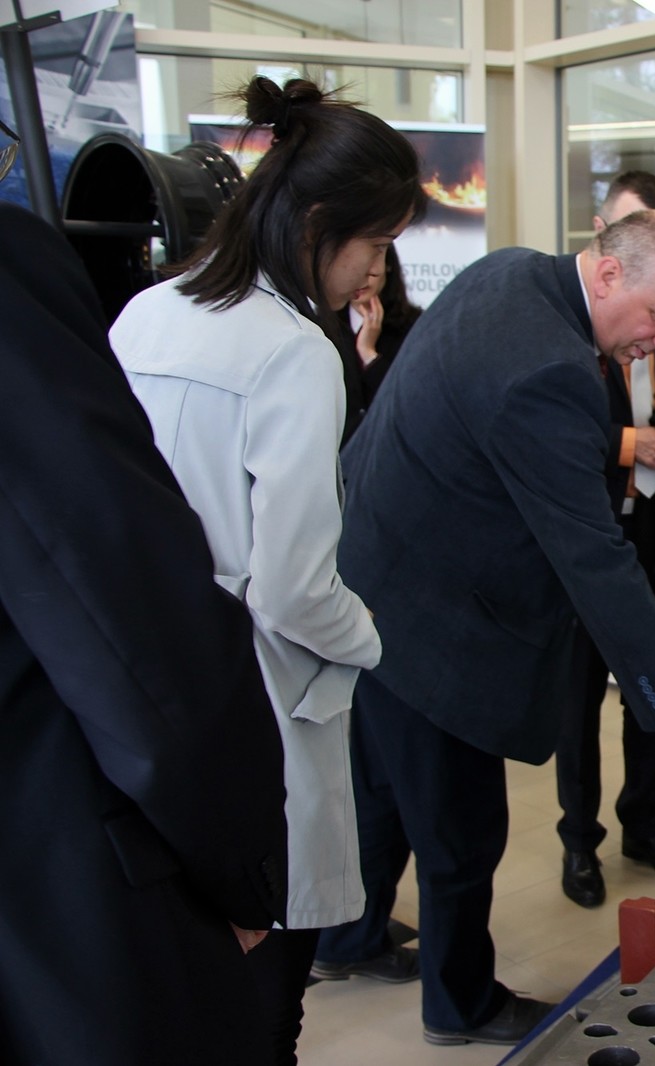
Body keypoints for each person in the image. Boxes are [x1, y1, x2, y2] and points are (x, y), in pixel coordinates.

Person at [319, 208, 655, 1049]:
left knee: (377, 789)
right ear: (609, 274)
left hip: (369, 583)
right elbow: (594, 560)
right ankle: (461, 1006)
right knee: (459, 830)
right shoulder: (550, 372)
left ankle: (349, 936)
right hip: (437, 622)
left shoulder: (511, 271)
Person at [110, 76, 426, 1062]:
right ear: (320, 225)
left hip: (140, 696)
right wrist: (371, 636)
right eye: (375, 244)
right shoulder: (294, 351)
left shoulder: (145, 313)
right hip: (257, 716)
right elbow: (292, 587)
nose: (373, 273)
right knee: (265, 1008)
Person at [0, 202, 289, 1064]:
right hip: (59, 902)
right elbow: (125, 622)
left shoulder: (152, 313)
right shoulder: (293, 350)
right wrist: (242, 874)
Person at [556, 171, 655, 909]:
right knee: (576, 698)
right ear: (605, 238)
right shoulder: (565, 324)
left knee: (652, 675)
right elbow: (555, 430)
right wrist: (624, 444)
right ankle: (579, 839)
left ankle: (645, 820)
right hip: (587, 527)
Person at [349, 243, 424, 401]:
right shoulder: (323, 326)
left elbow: (413, 396)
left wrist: (368, 353)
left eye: (370, 262)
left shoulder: (416, 325)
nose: (362, 276)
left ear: (387, 265)